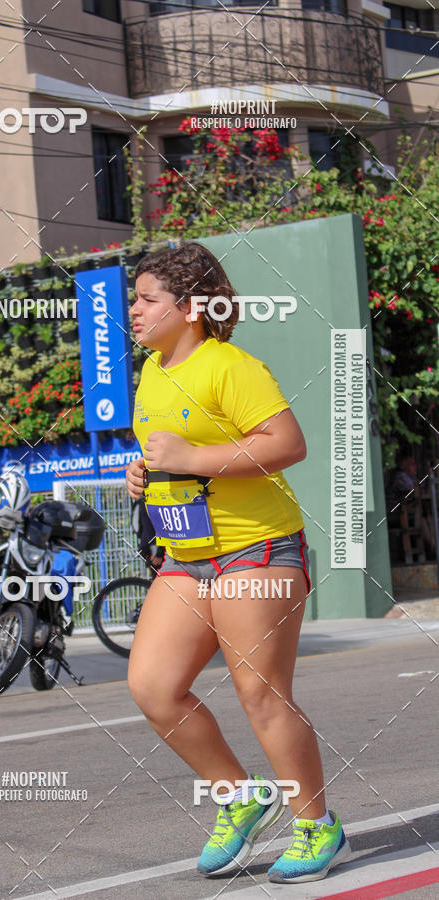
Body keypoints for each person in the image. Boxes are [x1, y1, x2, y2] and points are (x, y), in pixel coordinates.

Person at [125, 242, 351, 883]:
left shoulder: (230, 366)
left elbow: (287, 443)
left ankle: (316, 826)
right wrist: (145, 471)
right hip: (187, 553)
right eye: (134, 300)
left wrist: (187, 458)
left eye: (147, 300)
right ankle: (239, 795)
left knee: (260, 693)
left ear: (191, 308)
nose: (134, 312)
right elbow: (179, 449)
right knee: (154, 687)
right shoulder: (153, 371)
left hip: (257, 549)